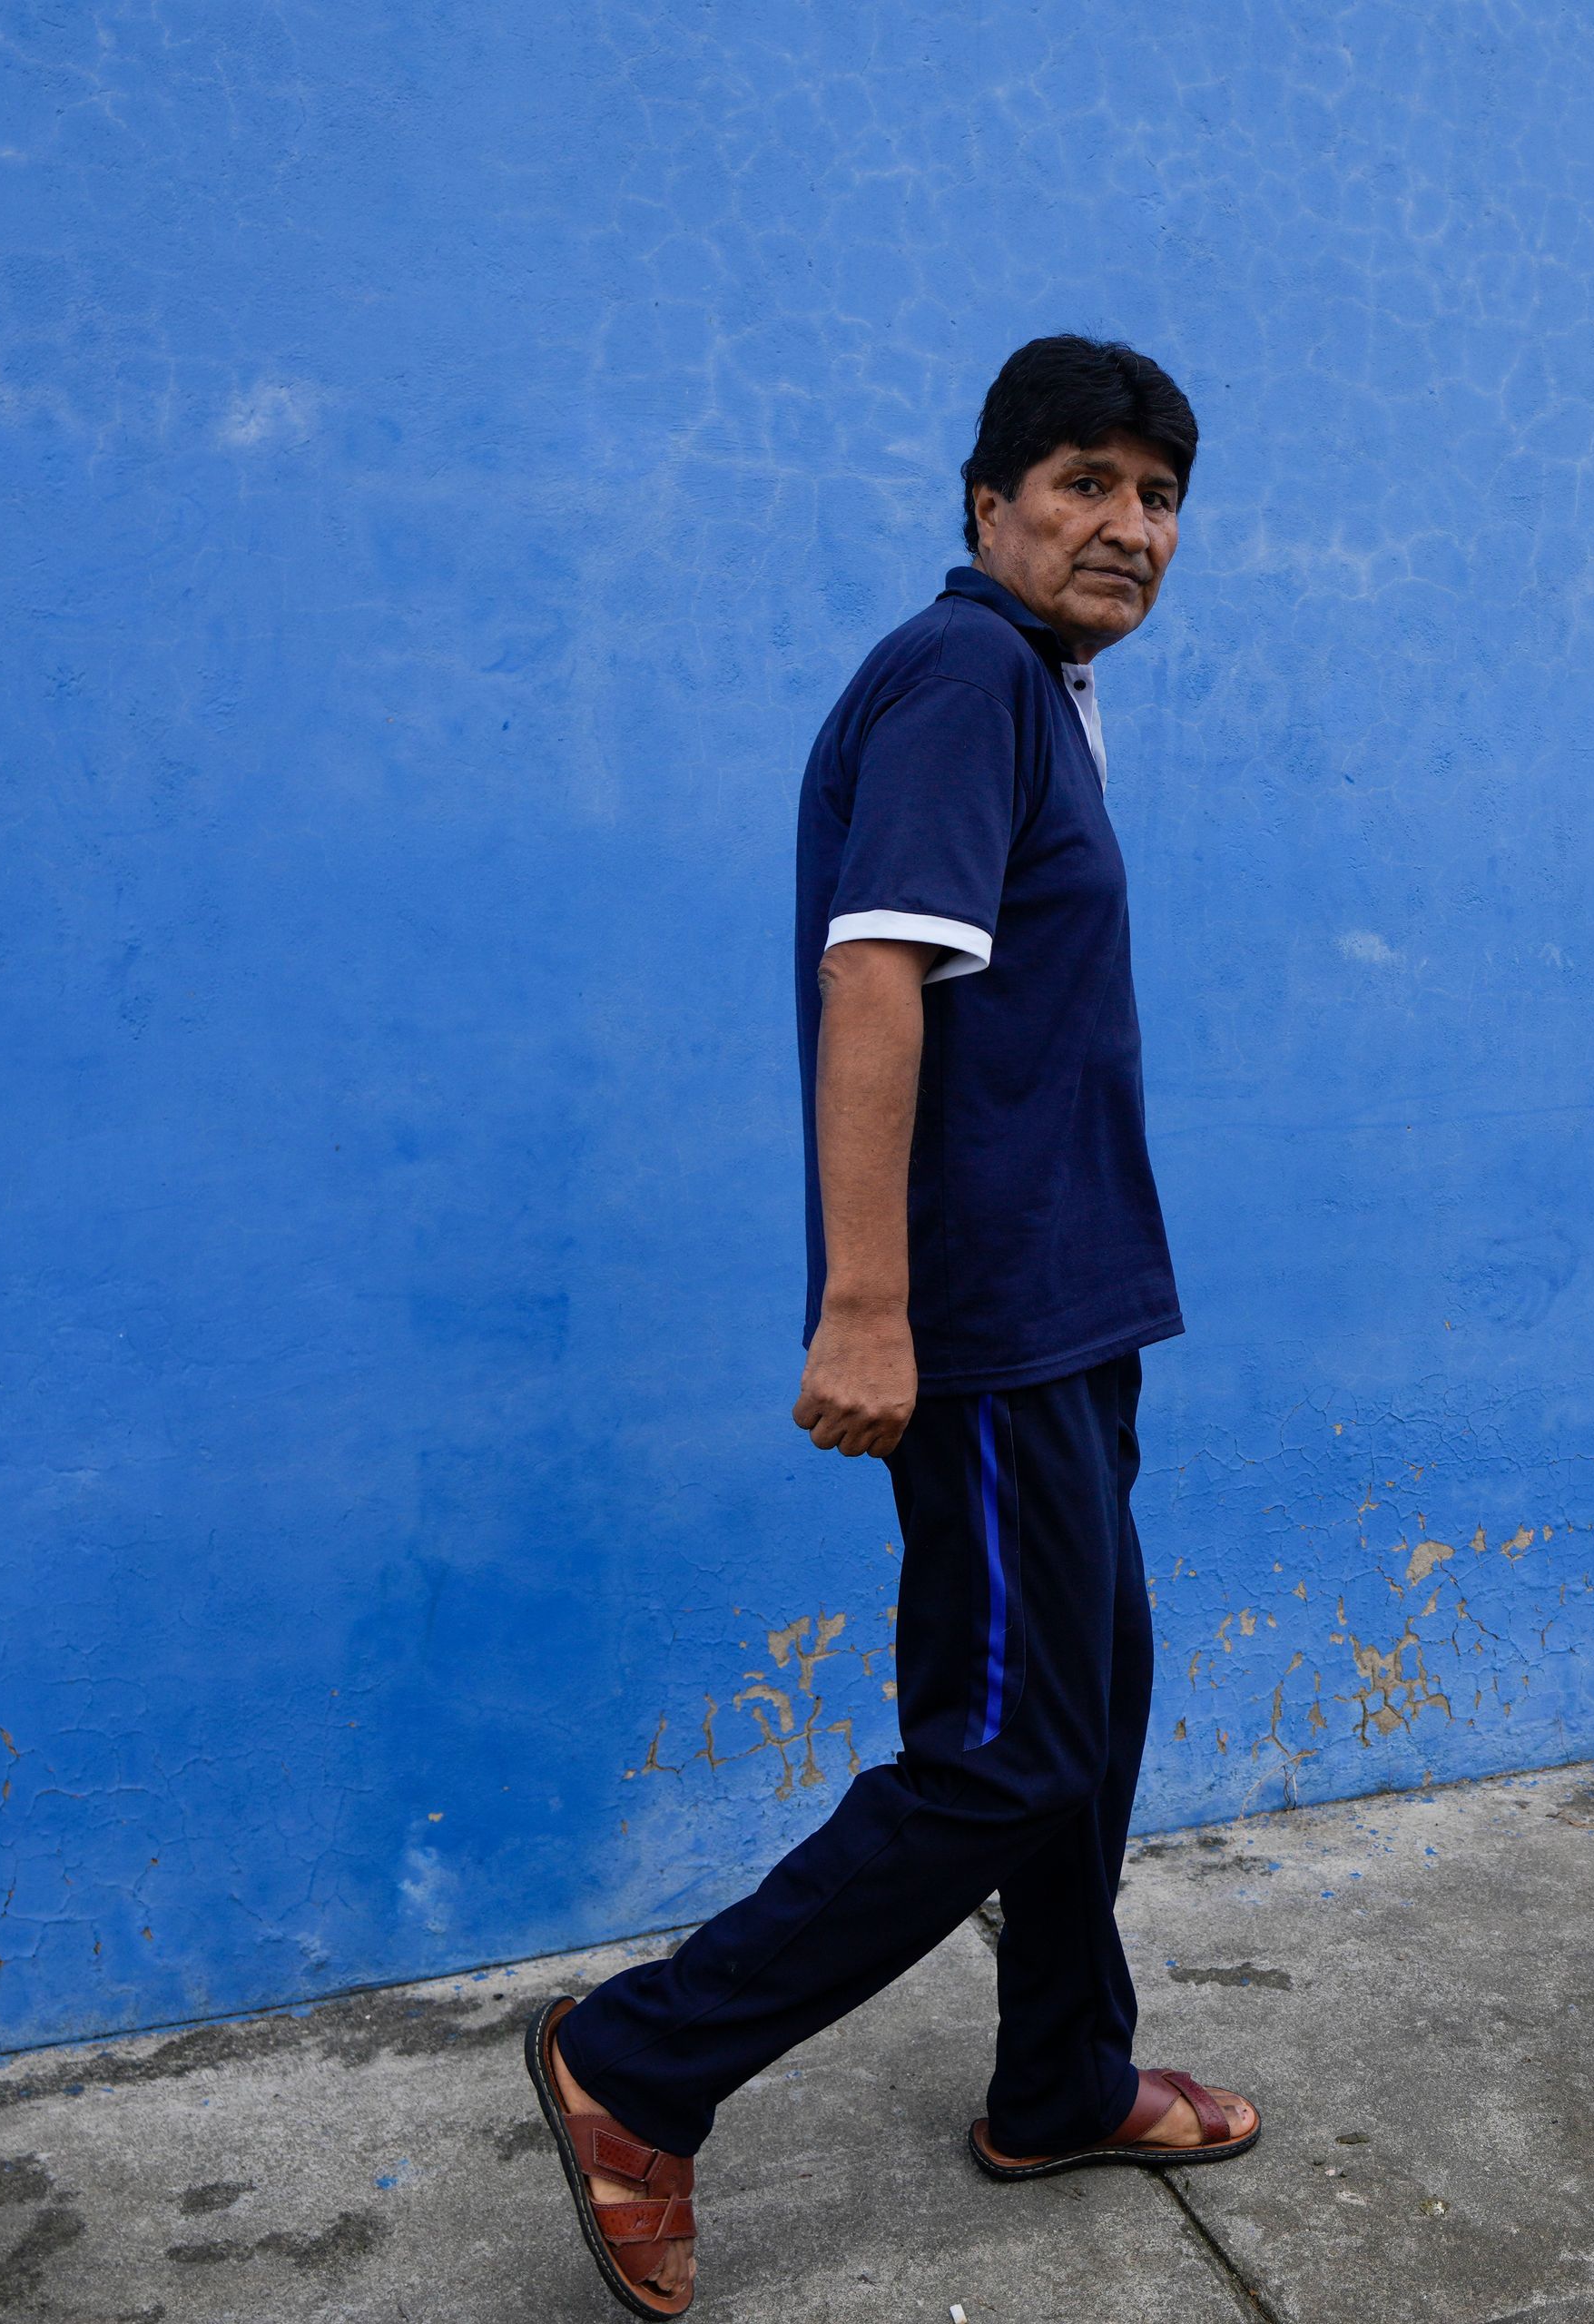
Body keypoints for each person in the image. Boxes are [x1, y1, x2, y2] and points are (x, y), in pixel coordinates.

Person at [524, 336, 1260, 2316]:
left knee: (1087, 1707)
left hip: (1069, 1311)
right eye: (1087, 482)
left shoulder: (1035, 692)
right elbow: (877, 980)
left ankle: (1059, 2077)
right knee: (1010, 1745)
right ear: (988, 501)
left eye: (1161, 494)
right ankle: (639, 2059)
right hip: (986, 1328)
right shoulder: (961, 677)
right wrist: (867, 1306)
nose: (1129, 526)